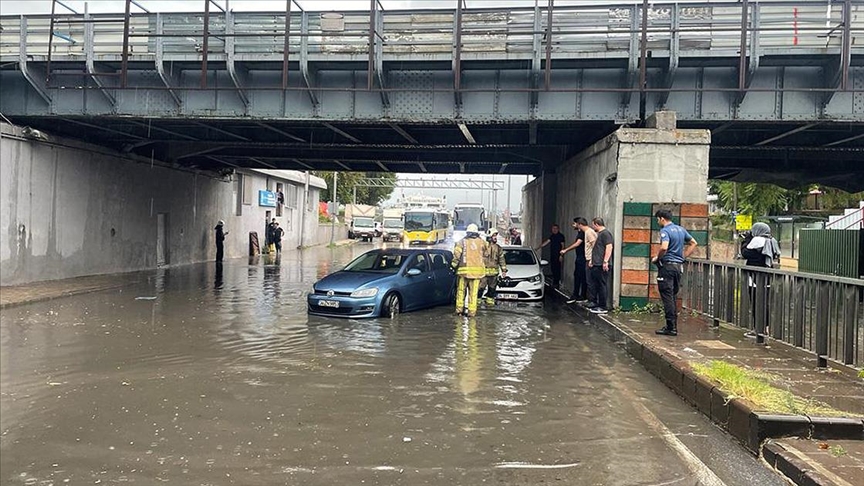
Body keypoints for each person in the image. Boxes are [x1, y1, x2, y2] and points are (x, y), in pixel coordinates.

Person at [652, 210, 698, 336]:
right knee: (672, 296)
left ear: (662, 219)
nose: (658, 222)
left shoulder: (665, 231)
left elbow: (664, 247)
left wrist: (657, 258)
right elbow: (694, 243)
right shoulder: (681, 230)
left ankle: (671, 327)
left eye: (658, 219)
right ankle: (672, 325)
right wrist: (683, 256)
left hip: (667, 267)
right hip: (678, 267)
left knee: (667, 297)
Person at [740, 222, 780, 339]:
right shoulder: (772, 240)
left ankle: (757, 329)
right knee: (765, 303)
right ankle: (766, 328)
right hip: (767, 277)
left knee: (756, 303)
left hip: (755, 278)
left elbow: (745, 253)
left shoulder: (757, 240)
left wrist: (746, 240)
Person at [451, 223, 489, 317]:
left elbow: (457, 255)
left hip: (463, 273)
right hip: (477, 274)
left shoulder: (461, 242)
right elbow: (486, 255)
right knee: (473, 293)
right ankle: (472, 313)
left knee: (460, 291)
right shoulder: (482, 242)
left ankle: (459, 311)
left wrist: (453, 266)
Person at [588, 217, 614, 314]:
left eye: (593, 225)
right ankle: (598, 304)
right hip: (597, 264)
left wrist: (605, 261)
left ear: (597, 224)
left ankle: (603, 306)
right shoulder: (601, 234)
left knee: (602, 285)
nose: (592, 227)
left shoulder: (605, 234)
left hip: (601, 265)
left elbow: (609, 247)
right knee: (597, 285)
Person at [561, 217, 588, 304]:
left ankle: (578, 295)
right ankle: (580, 295)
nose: (573, 225)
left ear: (579, 224)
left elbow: (577, 243)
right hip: (580, 257)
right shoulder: (581, 233)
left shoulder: (582, 233)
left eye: (574, 223)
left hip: (582, 258)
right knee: (579, 276)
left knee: (580, 276)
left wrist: (566, 250)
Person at [480, 230, 507, 305]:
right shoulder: (483, 247)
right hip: (483, 275)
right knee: (480, 290)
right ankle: (477, 306)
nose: (495, 238)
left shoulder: (498, 248)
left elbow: (501, 260)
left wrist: (504, 270)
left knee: (492, 291)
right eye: (493, 236)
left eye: (496, 236)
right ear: (489, 237)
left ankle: (490, 309)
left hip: (493, 276)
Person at [575, 217, 598, 305]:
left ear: (580, 225)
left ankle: (592, 300)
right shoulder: (587, 232)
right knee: (588, 280)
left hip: (590, 259)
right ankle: (590, 299)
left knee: (590, 281)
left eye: (577, 225)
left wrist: (592, 259)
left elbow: (594, 246)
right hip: (588, 259)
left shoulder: (588, 232)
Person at [537, 224, 566, 288]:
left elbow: (563, 246)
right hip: (552, 255)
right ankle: (555, 282)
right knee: (553, 268)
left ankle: (557, 283)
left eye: (555, 228)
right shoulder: (552, 236)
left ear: (558, 229)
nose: (554, 230)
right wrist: (538, 247)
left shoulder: (561, 236)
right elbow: (546, 242)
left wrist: (561, 255)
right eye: (553, 229)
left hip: (558, 255)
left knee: (557, 269)